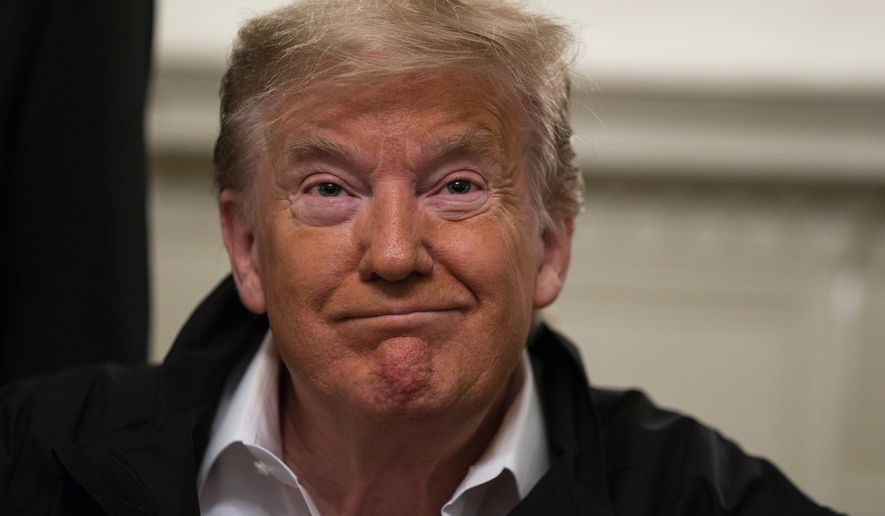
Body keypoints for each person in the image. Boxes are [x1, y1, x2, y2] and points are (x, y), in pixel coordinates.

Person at [1, 0, 840, 514]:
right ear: (247, 248)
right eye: (329, 190)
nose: (395, 253)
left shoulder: (699, 499)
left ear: (549, 243)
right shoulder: (28, 459)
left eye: (457, 186)